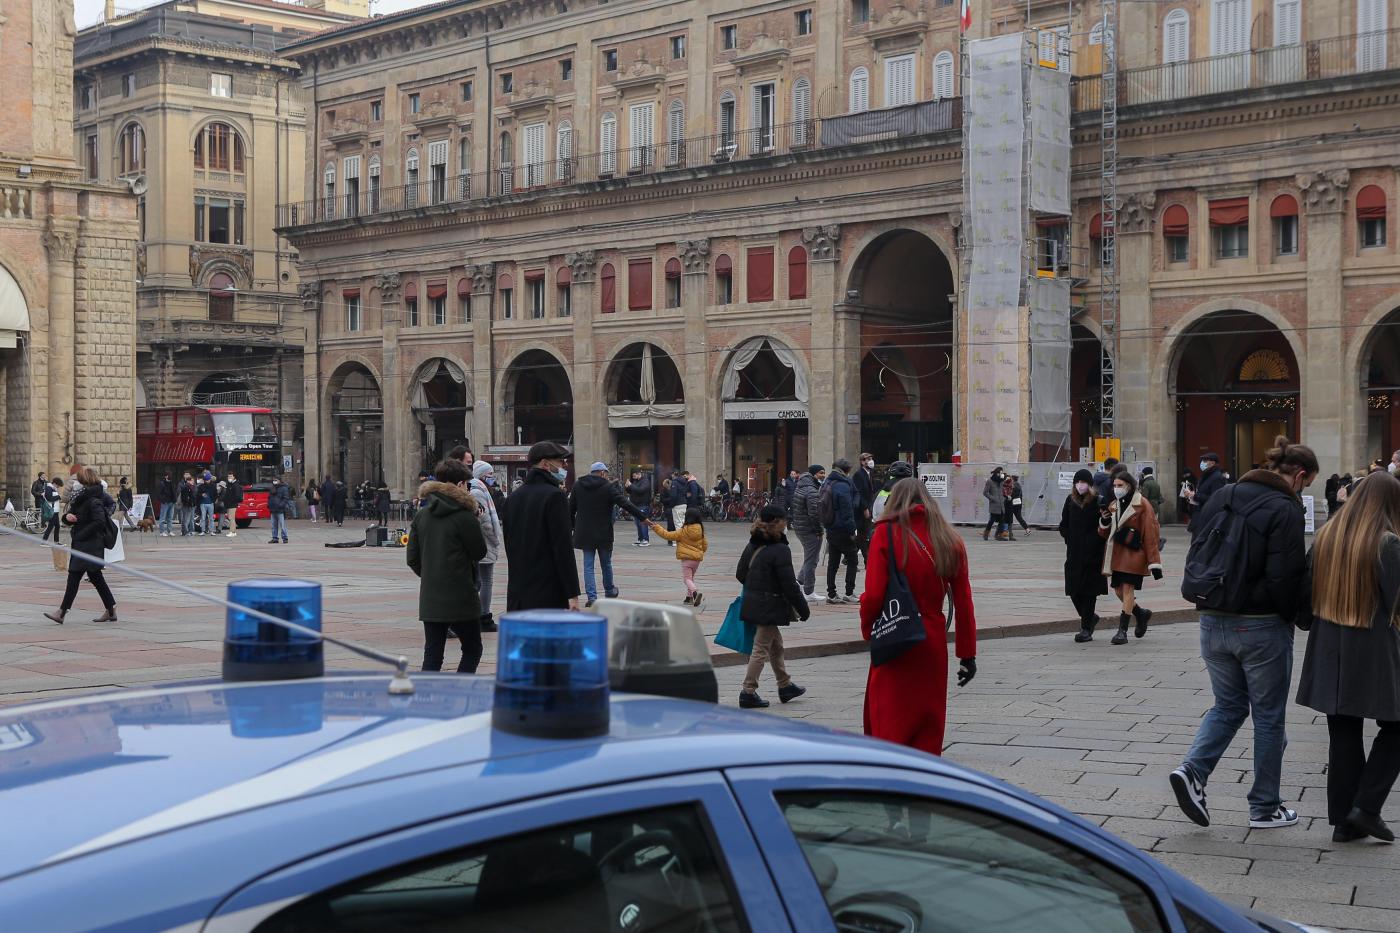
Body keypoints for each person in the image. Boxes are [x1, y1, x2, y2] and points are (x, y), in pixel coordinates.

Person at [1169, 436, 1317, 831]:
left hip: (1212, 618)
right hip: (1261, 624)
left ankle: (1193, 771)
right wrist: (1298, 617)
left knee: (1228, 705)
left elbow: (1197, 545)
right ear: (1299, 476)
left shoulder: (1225, 492)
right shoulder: (1285, 506)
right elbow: (1285, 575)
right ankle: (1264, 806)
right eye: (1307, 484)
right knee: (1269, 718)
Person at [1297, 471, 1400, 843]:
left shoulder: (1327, 536)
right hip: (1372, 649)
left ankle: (1344, 821)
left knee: (1343, 731)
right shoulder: (1387, 544)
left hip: (1328, 647)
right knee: (1396, 728)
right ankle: (1366, 808)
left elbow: (1304, 594)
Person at [859, 477, 977, 755]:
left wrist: (869, 630)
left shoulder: (885, 534)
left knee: (890, 719)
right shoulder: (951, 539)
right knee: (928, 720)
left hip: (896, 636)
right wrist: (967, 654)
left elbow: (874, 595)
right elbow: (964, 603)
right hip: (933, 638)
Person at [407, 458, 487, 673]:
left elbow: (412, 558)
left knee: (432, 654)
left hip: (431, 596)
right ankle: (459, 691)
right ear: (460, 484)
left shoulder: (422, 515)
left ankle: (426, 700)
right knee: (472, 649)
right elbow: (479, 552)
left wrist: (432, 574)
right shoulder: (465, 516)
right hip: (461, 595)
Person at [736, 504, 810, 709]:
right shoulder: (780, 549)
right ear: (777, 522)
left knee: (776, 645)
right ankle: (748, 691)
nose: (787, 524)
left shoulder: (753, 543)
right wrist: (803, 608)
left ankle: (785, 685)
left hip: (754, 601)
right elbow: (789, 584)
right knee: (760, 648)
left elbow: (740, 573)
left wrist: (755, 589)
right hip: (769, 605)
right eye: (785, 520)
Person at [503, 441, 582, 611]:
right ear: (546, 464)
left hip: (518, 592)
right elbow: (563, 548)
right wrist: (572, 593)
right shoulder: (554, 496)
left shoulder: (513, 498)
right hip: (548, 592)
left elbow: (510, 545)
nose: (563, 467)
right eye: (561, 462)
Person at [1097, 467, 1163, 646]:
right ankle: (1140, 613)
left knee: (1127, 590)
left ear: (1129, 485)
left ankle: (1122, 631)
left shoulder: (1142, 504)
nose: (1116, 488)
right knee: (1119, 591)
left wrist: (1154, 562)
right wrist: (1104, 521)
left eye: (1120, 485)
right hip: (1118, 555)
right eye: (1115, 485)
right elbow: (1105, 534)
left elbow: (1151, 533)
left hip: (1135, 555)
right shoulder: (1113, 505)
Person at [44, 467, 118, 625]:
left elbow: (99, 522)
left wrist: (81, 533)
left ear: (86, 481)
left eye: (79, 480)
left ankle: (62, 612)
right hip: (83, 544)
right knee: (95, 578)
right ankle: (111, 610)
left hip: (90, 545)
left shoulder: (94, 499)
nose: (77, 482)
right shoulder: (81, 497)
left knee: (75, 576)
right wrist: (67, 518)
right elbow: (71, 515)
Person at [569, 462, 649, 608]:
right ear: (602, 473)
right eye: (606, 473)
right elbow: (626, 504)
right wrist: (643, 518)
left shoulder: (578, 485)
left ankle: (592, 597)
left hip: (585, 533)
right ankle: (609, 591)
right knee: (606, 563)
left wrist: (573, 527)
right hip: (603, 532)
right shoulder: (608, 487)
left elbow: (570, 509)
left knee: (588, 566)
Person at [1059, 469, 1107, 642]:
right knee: (1073, 590)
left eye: (1083, 482)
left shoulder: (1098, 501)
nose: (1080, 485)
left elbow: (1105, 525)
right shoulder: (1070, 500)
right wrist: (1068, 538)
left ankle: (1086, 628)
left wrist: (1094, 542)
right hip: (1073, 554)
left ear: (1090, 484)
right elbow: (1063, 524)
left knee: (1089, 592)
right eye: (1078, 482)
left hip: (1093, 555)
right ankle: (1090, 618)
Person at [469, 461, 503, 633]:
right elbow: (485, 521)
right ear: (482, 475)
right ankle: (484, 616)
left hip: (482, 541)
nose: (492, 478)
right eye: (489, 474)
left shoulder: (479, 489)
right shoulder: (478, 491)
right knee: (485, 580)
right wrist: (495, 539)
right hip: (484, 542)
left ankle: (479, 614)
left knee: (481, 580)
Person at [650, 506, 708, 607]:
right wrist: (700, 552)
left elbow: (667, 535)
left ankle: (695, 592)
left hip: (686, 560)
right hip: (696, 560)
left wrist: (657, 528)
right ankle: (689, 598)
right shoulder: (700, 530)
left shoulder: (683, 531)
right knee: (691, 578)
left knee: (686, 579)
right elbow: (705, 545)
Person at [822, 458, 860, 604]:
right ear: (847, 470)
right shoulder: (843, 485)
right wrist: (852, 531)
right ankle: (849, 593)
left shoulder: (828, 482)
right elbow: (847, 511)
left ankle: (831, 594)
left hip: (830, 527)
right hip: (842, 528)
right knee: (852, 560)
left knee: (833, 562)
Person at [791, 465, 825, 601]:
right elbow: (814, 513)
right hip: (809, 529)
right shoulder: (811, 490)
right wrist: (819, 530)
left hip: (801, 527)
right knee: (812, 560)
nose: (823, 475)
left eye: (824, 473)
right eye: (820, 473)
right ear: (813, 474)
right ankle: (809, 591)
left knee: (810, 558)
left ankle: (799, 583)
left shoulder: (802, 485)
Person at [1187, 452, 1225, 526]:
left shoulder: (1217, 478)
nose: (1202, 463)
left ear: (1213, 463)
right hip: (1201, 515)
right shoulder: (1206, 475)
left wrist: (1196, 496)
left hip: (1208, 518)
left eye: (1205, 461)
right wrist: (1192, 495)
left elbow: (1215, 499)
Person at [852, 452, 876, 561]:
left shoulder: (869, 473)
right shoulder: (859, 474)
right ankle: (867, 559)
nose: (870, 460)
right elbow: (859, 493)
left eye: (871, 458)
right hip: (862, 510)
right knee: (864, 534)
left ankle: (849, 556)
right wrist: (865, 508)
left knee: (863, 534)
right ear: (862, 462)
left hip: (869, 507)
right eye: (868, 459)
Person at [625, 469, 653, 547]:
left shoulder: (645, 481)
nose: (633, 477)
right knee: (637, 523)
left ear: (639, 474)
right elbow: (631, 491)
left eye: (634, 476)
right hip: (635, 505)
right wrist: (627, 487)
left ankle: (645, 540)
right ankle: (640, 539)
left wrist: (631, 485)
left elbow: (640, 490)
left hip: (643, 504)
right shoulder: (636, 482)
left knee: (643, 522)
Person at [981, 467, 1008, 540]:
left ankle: (999, 535)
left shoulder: (1001, 481)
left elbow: (1003, 490)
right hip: (994, 505)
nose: (1001, 474)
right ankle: (986, 533)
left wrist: (1004, 498)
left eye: (1002, 473)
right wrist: (993, 499)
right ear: (996, 473)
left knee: (1002, 520)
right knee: (992, 520)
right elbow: (985, 493)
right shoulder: (990, 481)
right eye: (1000, 473)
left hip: (1001, 504)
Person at [267, 476, 292, 544]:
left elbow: (286, 498)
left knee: (282, 525)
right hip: (272, 509)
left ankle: (285, 538)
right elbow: (269, 497)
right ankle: (274, 538)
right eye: (273, 480)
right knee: (273, 525)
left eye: (276, 480)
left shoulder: (284, 488)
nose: (274, 481)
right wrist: (269, 504)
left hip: (280, 509)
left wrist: (281, 505)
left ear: (279, 480)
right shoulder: (272, 487)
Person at [196, 471, 217, 536]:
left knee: (211, 518)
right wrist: (202, 494)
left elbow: (215, 494)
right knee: (203, 518)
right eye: (206, 480)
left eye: (208, 480)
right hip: (203, 504)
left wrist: (213, 501)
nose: (207, 481)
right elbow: (198, 494)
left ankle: (211, 531)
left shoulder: (213, 486)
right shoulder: (201, 486)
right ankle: (203, 531)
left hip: (210, 503)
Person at [223, 472, 243, 536]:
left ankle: (232, 532)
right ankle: (233, 532)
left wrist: (232, 501)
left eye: (231, 476)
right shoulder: (230, 484)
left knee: (231, 518)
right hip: (229, 504)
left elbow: (236, 495)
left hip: (232, 504)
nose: (229, 478)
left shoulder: (235, 485)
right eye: (228, 476)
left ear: (234, 477)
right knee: (231, 518)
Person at [157, 472, 176, 537]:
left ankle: (170, 531)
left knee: (170, 518)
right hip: (165, 503)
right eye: (168, 475)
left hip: (171, 502)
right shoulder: (162, 483)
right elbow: (159, 493)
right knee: (163, 518)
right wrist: (163, 500)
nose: (170, 476)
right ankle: (162, 531)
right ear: (165, 476)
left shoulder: (172, 483)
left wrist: (174, 500)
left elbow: (174, 491)